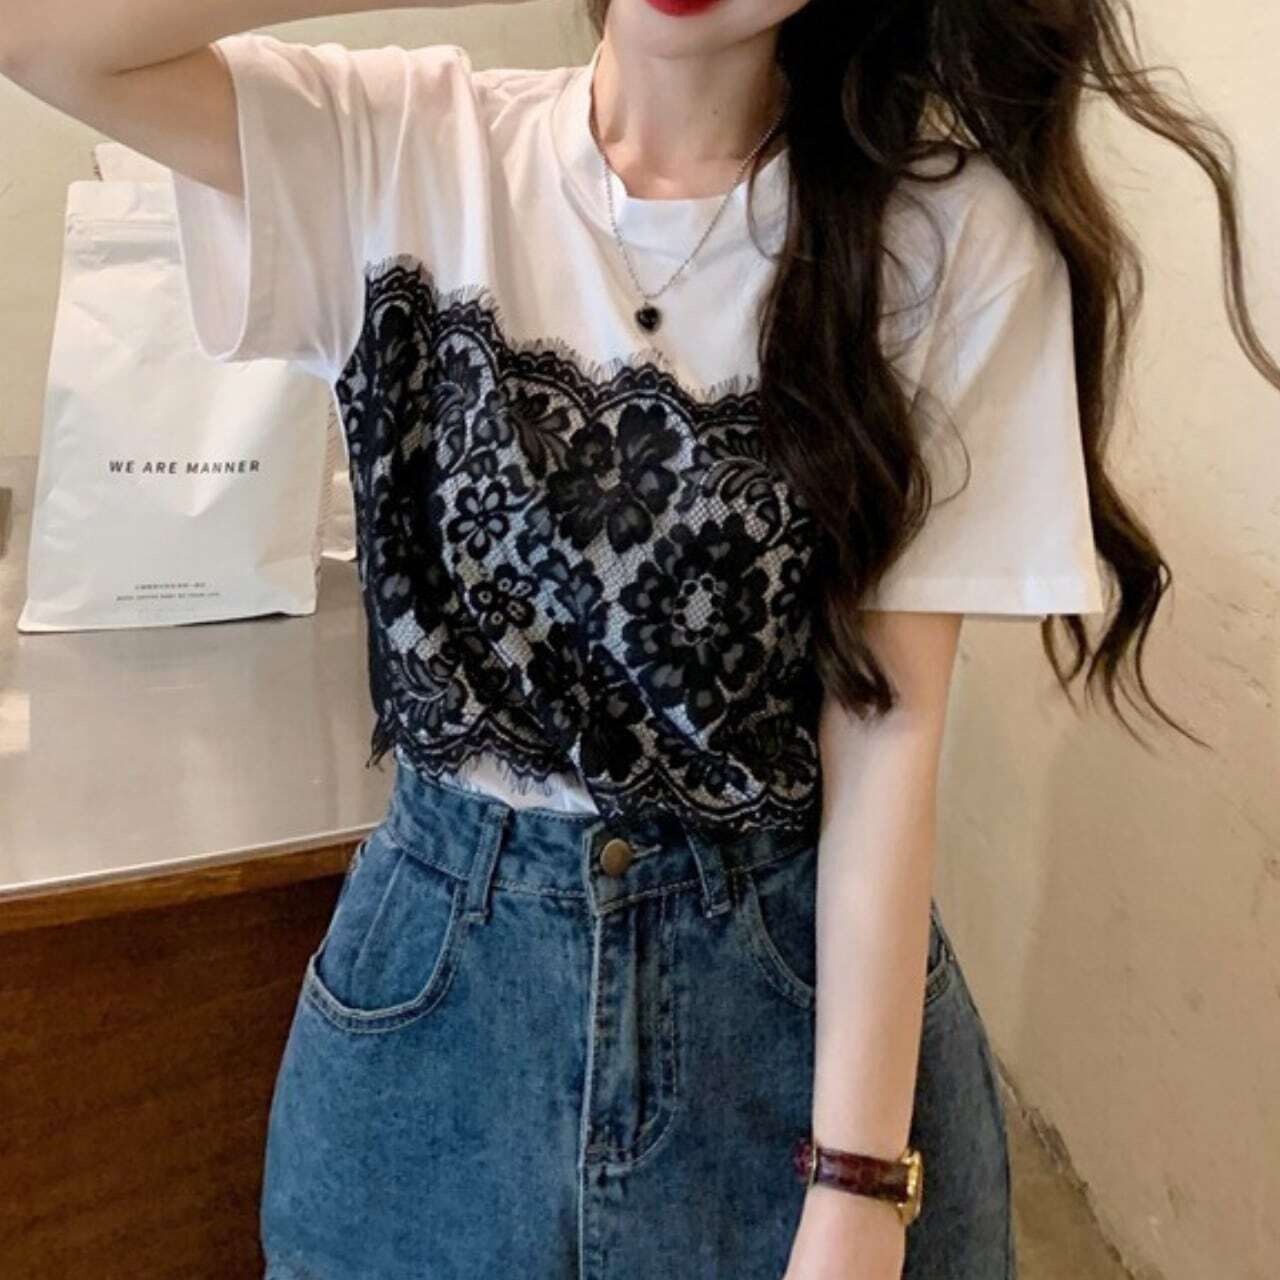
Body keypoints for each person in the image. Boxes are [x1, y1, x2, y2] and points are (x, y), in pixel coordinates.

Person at [6, 1, 1276, 1277]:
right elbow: (43, 36)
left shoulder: (940, 236)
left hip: (790, 1017)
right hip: (438, 1028)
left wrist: (854, 1187)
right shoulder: (398, 145)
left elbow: (886, 734)